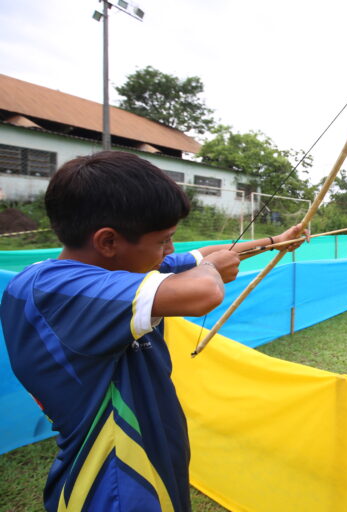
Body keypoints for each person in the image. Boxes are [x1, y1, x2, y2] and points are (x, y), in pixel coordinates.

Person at [0, 151, 308, 511]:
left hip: (147, 458)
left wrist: (273, 242)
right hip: (115, 481)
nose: (170, 250)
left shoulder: (102, 270)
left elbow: (201, 255)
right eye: (163, 240)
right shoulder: (59, 290)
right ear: (108, 242)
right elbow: (203, 290)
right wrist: (211, 268)